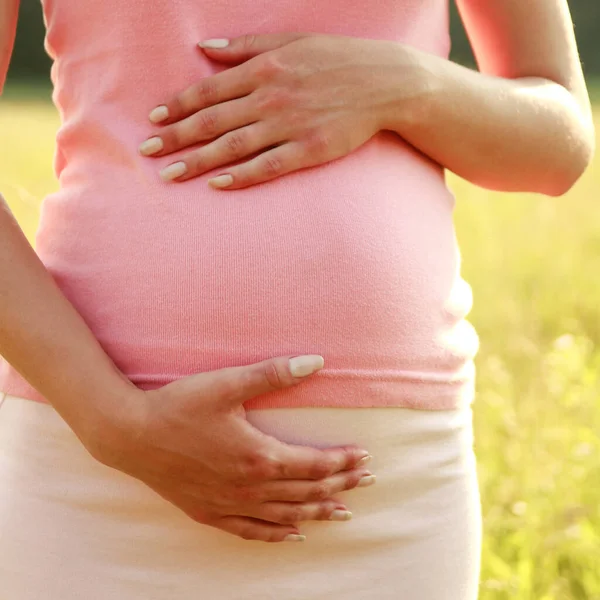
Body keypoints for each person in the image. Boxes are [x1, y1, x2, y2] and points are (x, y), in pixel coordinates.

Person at [0, 0, 594, 598]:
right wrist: (113, 423)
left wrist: (407, 85)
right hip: (87, 477)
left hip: (385, 494)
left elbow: (557, 144)